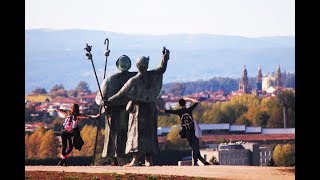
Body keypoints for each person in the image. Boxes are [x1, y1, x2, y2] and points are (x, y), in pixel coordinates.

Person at [105, 47, 170, 166]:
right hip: (150, 108)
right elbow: (162, 69)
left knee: (136, 134)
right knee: (149, 133)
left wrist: (108, 101)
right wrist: (164, 58)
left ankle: (135, 160)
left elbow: (120, 94)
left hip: (138, 110)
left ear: (137, 66)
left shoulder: (133, 80)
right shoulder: (151, 75)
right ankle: (148, 160)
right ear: (146, 65)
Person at [95, 55, 137, 166]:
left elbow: (99, 97)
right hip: (126, 112)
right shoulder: (136, 78)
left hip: (121, 113)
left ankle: (118, 158)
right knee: (124, 135)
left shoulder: (110, 79)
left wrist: (103, 102)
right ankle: (124, 158)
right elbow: (100, 98)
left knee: (120, 136)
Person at [158, 97, 210, 166]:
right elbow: (196, 102)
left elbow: (168, 111)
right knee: (196, 147)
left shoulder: (179, 111)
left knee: (195, 148)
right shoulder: (189, 110)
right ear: (185, 103)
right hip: (193, 132)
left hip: (186, 133)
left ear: (179, 104)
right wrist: (189, 98)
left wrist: (158, 109)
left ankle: (204, 162)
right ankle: (195, 162)